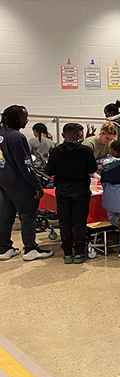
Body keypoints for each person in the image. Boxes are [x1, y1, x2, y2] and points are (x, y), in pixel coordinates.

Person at [0, 105, 53, 261]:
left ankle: (4, 248)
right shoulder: (17, 137)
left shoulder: (2, 133)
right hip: (19, 183)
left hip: (3, 181)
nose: (27, 119)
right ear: (16, 118)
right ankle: (30, 248)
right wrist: (36, 186)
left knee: (5, 216)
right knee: (28, 216)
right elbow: (26, 166)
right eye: (25, 116)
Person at [46, 123, 97, 264]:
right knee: (79, 222)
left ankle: (67, 253)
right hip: (80, 189)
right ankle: (80, 252)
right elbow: (92, 168)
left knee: (65, 221)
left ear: (63, 135)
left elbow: (49, 171)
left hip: (62, 190)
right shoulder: (85, 151)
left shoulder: (55, 151)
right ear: (80, 134)